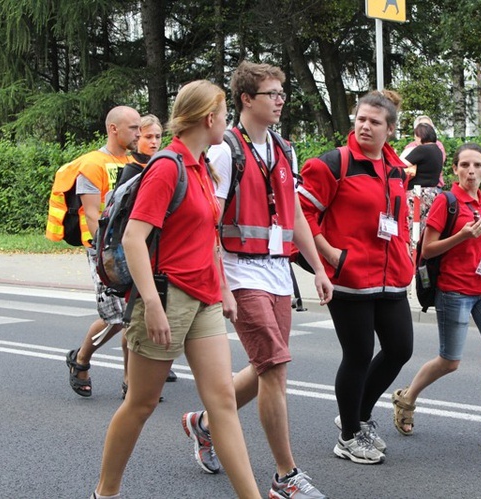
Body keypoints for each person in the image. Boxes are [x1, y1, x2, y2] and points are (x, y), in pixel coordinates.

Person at [91, 80, 261, 499]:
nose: (226, 123)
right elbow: (133, 238)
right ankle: (105, 492)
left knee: (222, 402)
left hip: (202, 300)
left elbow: (207, 236)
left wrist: (222, 289)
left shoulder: (204, 167)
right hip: (166, 299)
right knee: (141, 404)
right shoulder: (169, 166)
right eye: (223, 115)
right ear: (209, 118)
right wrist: (150, 303)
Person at [181, 61, 333, 498]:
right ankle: (285, 478)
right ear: (247, 99)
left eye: (282, 92)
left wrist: (318, 269)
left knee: (269, 367)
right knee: (275, 367)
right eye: (272, 93)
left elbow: (296, 214)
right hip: (238, 270)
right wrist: (222, 285)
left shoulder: (285, 149)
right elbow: (208, 220)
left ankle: (203, 424)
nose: (281, 99)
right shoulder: (225, 149)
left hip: (277, 273)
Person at [391, 142, 481, 454]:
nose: (471, 171)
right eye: (465, 165)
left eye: (477, 166)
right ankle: (407, 397)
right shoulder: (447, 202)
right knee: (450, 361)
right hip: (455, 290)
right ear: (454, 169)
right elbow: (426, 250)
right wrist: (462, 236)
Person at [298, 89, 414, 465]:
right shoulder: (333, 164)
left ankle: (357, 415)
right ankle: (349, 435)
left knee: (400, 348)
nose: (365, 126)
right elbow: (300, 214)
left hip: (391, 276)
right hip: (349, 279)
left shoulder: (396, 169)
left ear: (390, 129)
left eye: (374, 122)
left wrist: (407, 258)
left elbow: (398, 219)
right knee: (359, 354)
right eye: (361, 119)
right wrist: (330, 255)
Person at [65, 105, 141, 398]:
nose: (138, 132)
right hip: (105, 253)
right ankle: (81, 359)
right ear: (114, 129)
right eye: (133, 128)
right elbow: (92, 214)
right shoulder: (92, 165)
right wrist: (108, 255)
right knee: (116, 317)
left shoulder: (137, 162)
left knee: (134, 315)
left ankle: (130, 381)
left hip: (133, 248)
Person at [116, 114, 179, 399]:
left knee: (152, 313)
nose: (154, 142)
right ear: (137, 140)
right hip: (139, 253)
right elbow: (126, 223)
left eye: (157, 136)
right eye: (148, 137)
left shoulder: (162, 164)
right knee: (132, 319)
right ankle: (130, 378)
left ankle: (155, 364)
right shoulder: (132, 171)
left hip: (161, 251)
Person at [402, 123, 444, 244]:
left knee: (412, 227)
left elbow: (401, 164)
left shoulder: (422, 149)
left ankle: (412, 254)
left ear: (420, 136)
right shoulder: (437, 150)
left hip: (417, 194)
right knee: (425, 227)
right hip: (433, 193)